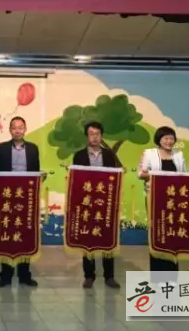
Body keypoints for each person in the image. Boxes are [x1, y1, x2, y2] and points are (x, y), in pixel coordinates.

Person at [0, 116, 40, 288]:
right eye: (14, 127)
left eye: (20, 127)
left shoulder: (33, 149)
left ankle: (24, 275)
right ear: (10, 130)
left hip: (26, 199)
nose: (17, 130)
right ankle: (5, 275)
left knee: (25, 235)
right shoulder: (2, 148)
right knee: (7, 235)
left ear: (25, 129)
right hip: (7, 199)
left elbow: (35, 173)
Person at [72, 121, 121, 289]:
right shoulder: (79, 155)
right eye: (91, 134)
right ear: (87, 136)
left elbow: (114, 178)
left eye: (97, 134)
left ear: (102, 136)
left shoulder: (109, 155)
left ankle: (109, 276)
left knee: (107, 237)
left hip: (106, 202)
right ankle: (89, 275)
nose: (94, 137)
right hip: (87, 203)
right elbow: (76, 180)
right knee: (88, 238)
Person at [138, 126, 187, 282]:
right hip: (155, 200)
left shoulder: (179, 155)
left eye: (171, 138)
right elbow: (141, 174)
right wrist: (158, 176)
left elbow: (185, 176)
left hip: (174, 202)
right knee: (157, 235)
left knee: (173, 236)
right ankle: (157, 276)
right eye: (166, 138)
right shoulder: (149, 153)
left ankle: (172, 275)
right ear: (159, 139)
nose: (169, 141)